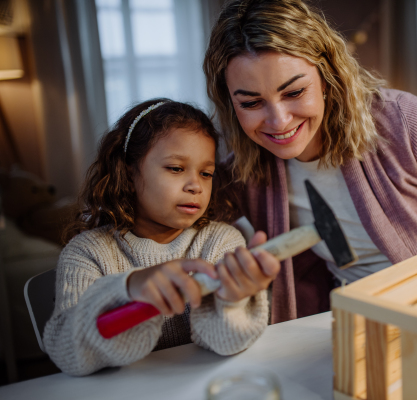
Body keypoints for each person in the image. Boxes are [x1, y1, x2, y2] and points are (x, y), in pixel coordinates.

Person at [204, 0, 417, 355]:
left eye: (294, 92)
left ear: (327, 77)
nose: (278, 121)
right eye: (251, 103)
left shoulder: (403, 122)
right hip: (353, 333)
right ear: (230, 104)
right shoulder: (239, 175)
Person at [44, 99, 280, 376]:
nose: (195, 186)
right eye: (176, 169)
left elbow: (226, 344)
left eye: (206, 173)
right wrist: (128, 289)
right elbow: (67, 353)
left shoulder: (221, 242)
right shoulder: (88, 253)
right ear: (130, 173)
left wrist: (232, 301)